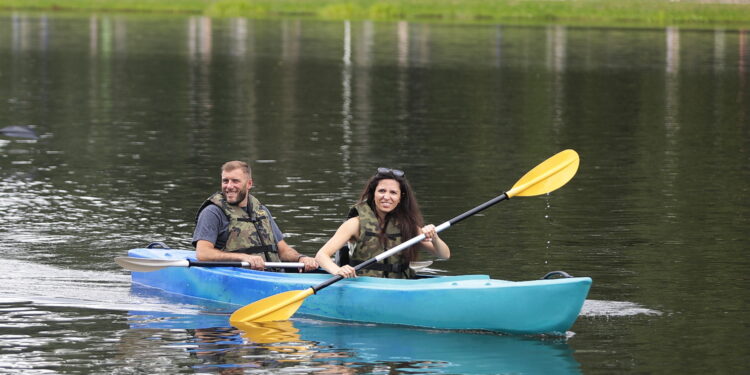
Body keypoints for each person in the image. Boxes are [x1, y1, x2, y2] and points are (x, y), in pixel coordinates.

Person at [315, 167, 450, 279]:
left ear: (400, 198)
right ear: (373, 194)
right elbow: (321, 255)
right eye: (382, 191)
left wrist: (435, 238)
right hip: (364, 285)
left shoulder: (407, 225)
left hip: (399, 286)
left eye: (393, 192)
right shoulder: (355, 224)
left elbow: (444, 255)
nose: (386, 197)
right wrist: (338, 270)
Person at [192, 161, 318, 272]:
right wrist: (244, 257)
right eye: (225, 181)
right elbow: (203, 253)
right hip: (239, 275)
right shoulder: (212, 212)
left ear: (249, 184)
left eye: (235, 181)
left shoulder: (261, 211)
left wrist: (301, 258)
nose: (229, 186)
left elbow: (283, 250)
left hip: (274, 274)